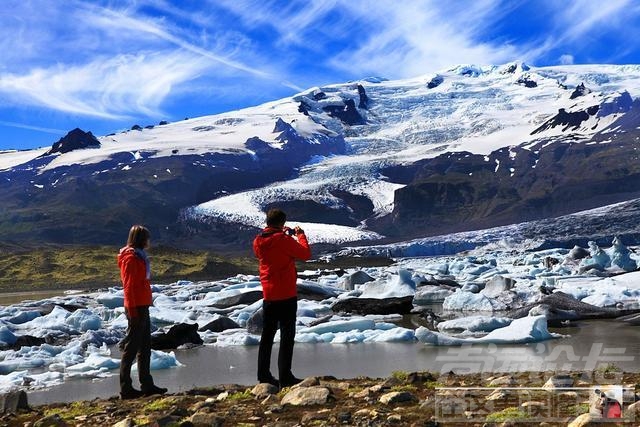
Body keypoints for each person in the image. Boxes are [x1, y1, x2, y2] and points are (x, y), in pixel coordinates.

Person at [253, 209, 311, 388]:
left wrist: (281, 232)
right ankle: (285, 376)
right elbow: (305, 254)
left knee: (267, 335)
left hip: (269, 295)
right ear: (282, 222)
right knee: (287, 335)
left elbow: (272, 245)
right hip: (286, 294)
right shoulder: (282, 240)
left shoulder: (259, 240)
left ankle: (263, 375)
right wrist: (300, 235)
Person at [117, 225, 167, 399]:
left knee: (145, 347)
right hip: (135, 307)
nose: (149, 241)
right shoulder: (131, 258)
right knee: (131, 348)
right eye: (147, 238)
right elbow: (129, 286)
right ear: (141, 239)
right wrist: (132, 311)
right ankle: (126, 388)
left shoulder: (139, 256)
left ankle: (147, 384)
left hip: (142, 305)